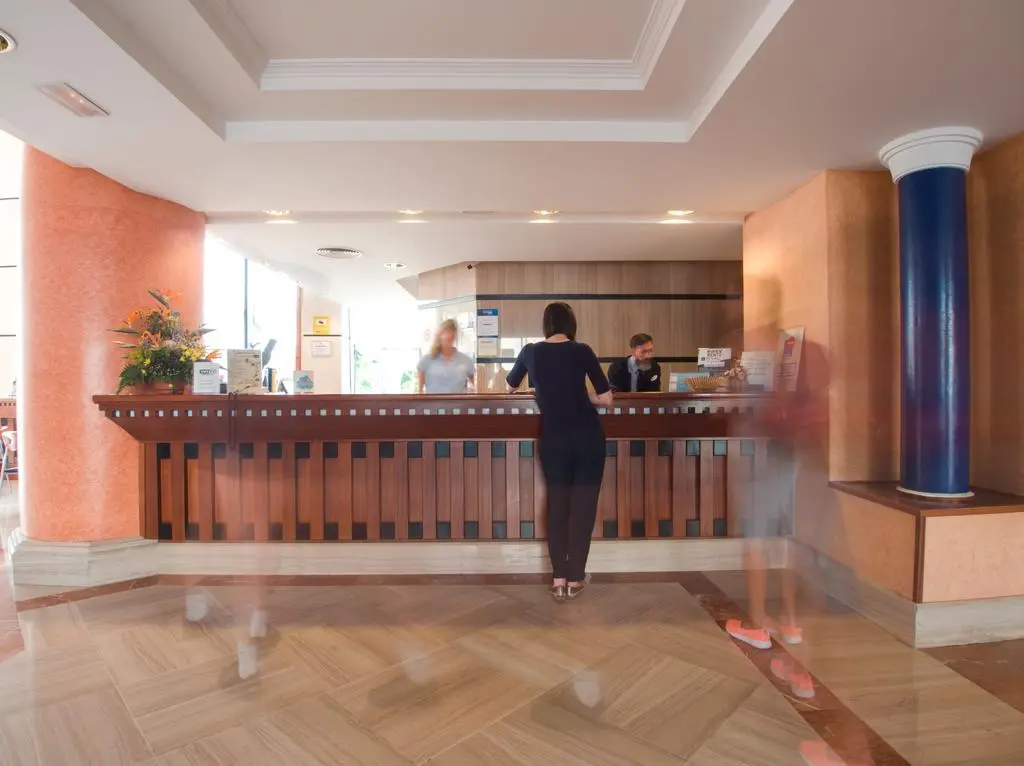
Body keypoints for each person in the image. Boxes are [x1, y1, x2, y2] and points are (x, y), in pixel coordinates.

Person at [506, 302, 613, 601]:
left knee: (557, 507)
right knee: (583, 508)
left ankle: (558, 579)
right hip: (588, 438)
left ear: (546, 325)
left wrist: (542, 392)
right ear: (571, 324)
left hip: (554, 439)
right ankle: (576, 578)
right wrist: (581, 395)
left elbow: (510, 387)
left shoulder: (530, 352)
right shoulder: (582, 351)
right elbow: (606, 399)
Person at [417, 319, 475, 394]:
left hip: (459, 401)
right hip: (433, 401)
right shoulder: (425, 361)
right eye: (446, 332)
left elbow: (476, 388)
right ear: (439, 335)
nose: (449, 335)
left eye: (452, 332)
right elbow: (420, 392)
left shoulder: (466, 361)